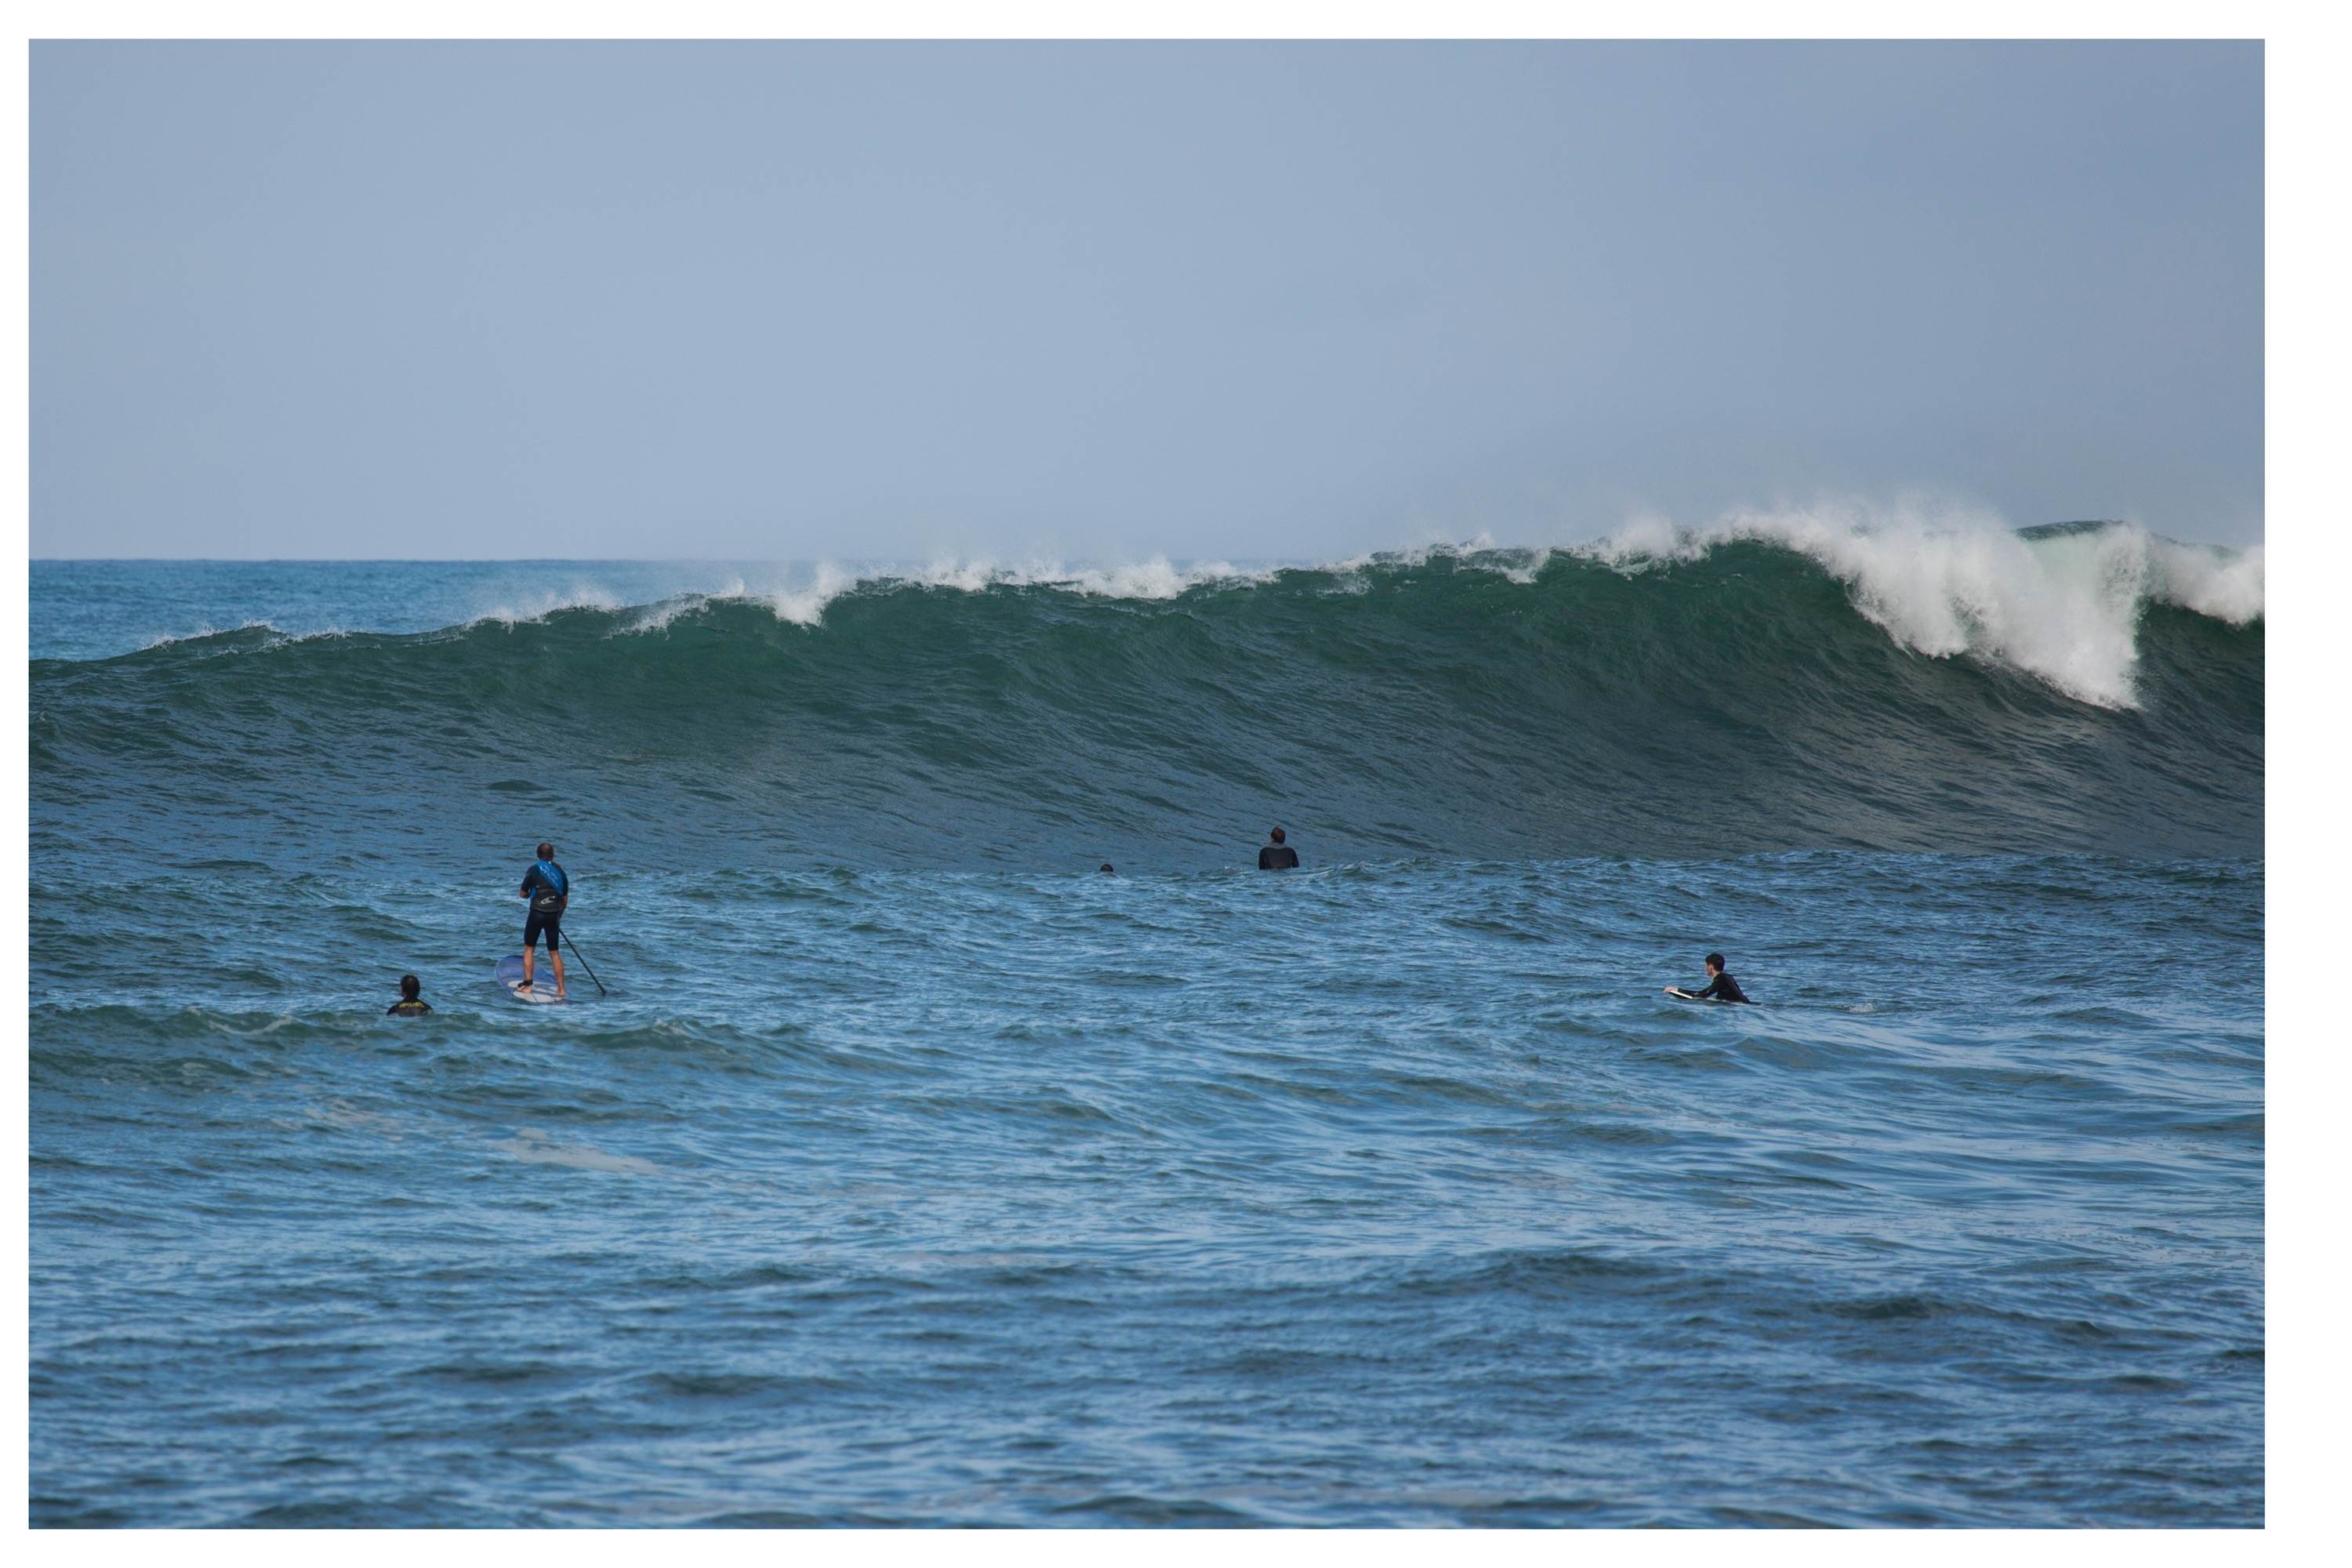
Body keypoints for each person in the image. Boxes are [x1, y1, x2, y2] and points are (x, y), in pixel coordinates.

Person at [519, 840, 569, 1000]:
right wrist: (558, 917)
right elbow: (564, 900)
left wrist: (531, 894)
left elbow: (522, 894)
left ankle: (528, 986)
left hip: (536, 914)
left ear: (538, 855)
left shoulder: (533, 870)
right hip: (553, 915)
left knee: (529, 949)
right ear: (553, 855)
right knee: (554, 952)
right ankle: (561, 989)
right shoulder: (560, 872)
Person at [1667, 952, 1751, 1004]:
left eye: (1706, 965)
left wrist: (1678, 990)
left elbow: (1701, 995)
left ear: (1710, 967)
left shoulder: (1721, 979)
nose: (1705, 968)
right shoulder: (1728, 977)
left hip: (1743, 1006)